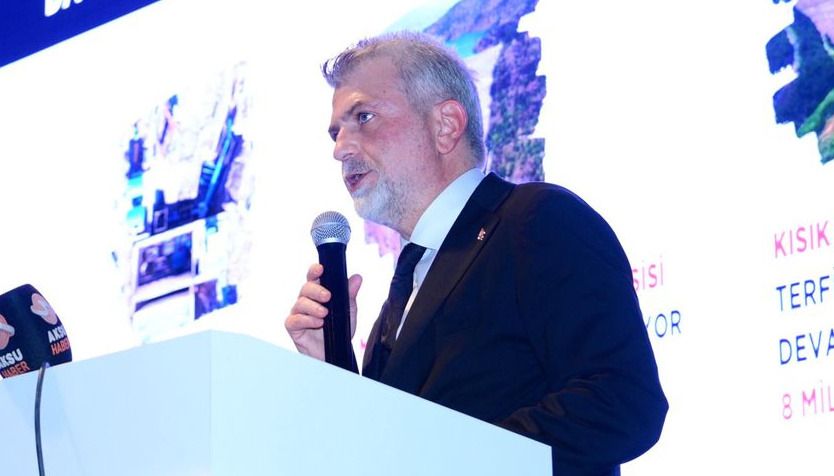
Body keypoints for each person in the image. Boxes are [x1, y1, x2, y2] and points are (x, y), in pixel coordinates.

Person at [285, 31, 666, 476]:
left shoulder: (535, 221)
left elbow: (622, 399)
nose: (340, 149)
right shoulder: (403, 293)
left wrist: (455, 460)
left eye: (364, 117)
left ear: (446, 125)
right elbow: (382, 456)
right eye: (336, 133)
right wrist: (333, 370)